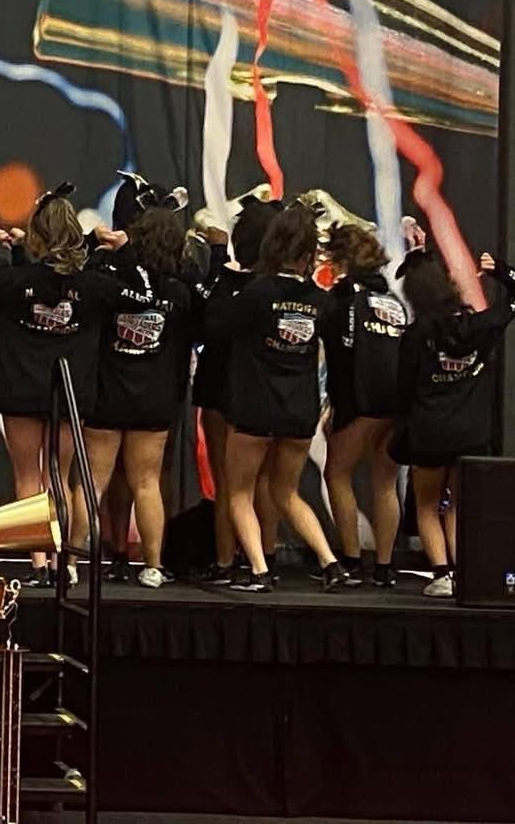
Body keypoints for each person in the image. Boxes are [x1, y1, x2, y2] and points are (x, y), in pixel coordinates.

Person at [0, 184, 151, 588]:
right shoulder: (91, 284)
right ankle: (64, 563)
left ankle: (40, 562)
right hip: (69, 393)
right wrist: (121, 252)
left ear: (37, 235)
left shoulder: (15, 279)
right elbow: (142, 295)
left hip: (23, 390)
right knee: (61, 475)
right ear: (74, 234)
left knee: (29, 477)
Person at [204, 203, 344, 593]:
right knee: (286, 492)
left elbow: (214, 323)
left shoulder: (256, 292)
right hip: (300, 412)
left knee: (238, 492)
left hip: (255, 409)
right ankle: (331, 563)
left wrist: (222, 274)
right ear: (307, 254)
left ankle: (260, 571)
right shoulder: (320, 300)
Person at [393, 249, 515, 597]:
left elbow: (403, 390)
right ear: (447, 285)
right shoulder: (480, 326)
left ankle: (442, 575)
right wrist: (504, 273)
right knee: (458, 505)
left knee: (428, 505)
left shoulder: (415, 337)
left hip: (430, 431)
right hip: (471, 432)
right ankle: (464, 574)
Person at [82, 207, 191, 589]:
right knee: (147, 482)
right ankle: (153, 566)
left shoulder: (112, 285)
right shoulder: (179, 292)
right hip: (155, 399)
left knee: (92, 482)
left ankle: (69, 562)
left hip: (110, 395)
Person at [191, 195, 280, 584]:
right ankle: (268, 556)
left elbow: (209, 321)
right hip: (269, 392)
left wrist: (215, 258)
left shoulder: (234, 286)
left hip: (224, 388)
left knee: (230, 481)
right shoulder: (281, 288)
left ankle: (227, 561)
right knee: (262, 481)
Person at [320, 223, 406, 587]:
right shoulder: (393, 300)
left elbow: (343, 358)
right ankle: (384, 567)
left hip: (360, 400)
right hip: (397, 404)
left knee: (337, 473)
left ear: (342, 260)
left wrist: (334, 406)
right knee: (384, 482)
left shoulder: (340, 300)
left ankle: (353, 561)